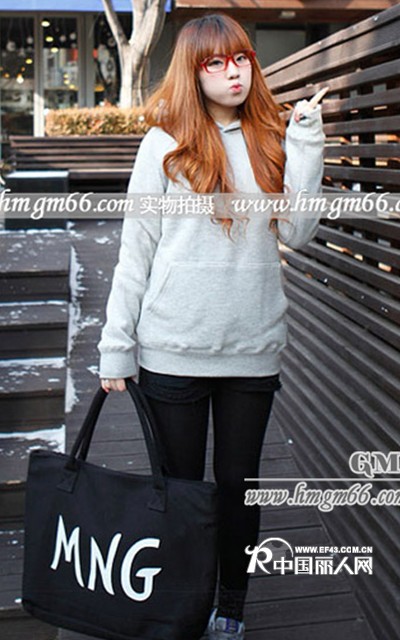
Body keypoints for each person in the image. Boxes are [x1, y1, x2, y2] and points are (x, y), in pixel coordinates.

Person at [98, 13, 325, 640]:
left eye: (242, 59)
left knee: (238, 489)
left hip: (251, 349)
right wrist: (116, 346)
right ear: (193, 74)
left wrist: (307, 144)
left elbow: (300, 232)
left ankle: (230, 607)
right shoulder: (162, 144)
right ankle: (183, 605)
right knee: (180, 493)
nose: (234, 72)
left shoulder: (271, 138)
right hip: (172, 349)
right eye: (216, 63)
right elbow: (136, 250)